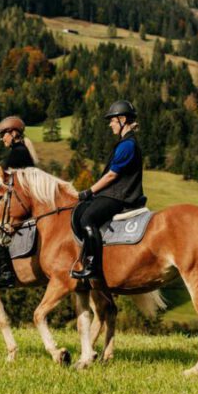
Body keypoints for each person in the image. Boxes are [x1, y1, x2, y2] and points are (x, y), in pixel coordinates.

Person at [70, 100, 146, 281]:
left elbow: (112, 176)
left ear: (122, 119)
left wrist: (88, 192)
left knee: (87, 218)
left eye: (112, 120)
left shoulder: (127, 145)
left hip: (120, 195)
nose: (110, 124)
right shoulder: (125, 143)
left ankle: (93, 265)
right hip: (115, 193)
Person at [0, 115, 38, 288]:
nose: (1, 138)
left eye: (4, 134)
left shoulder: (18, 153)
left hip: (20, 202)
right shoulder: (19, 151)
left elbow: (4, 181)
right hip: (18, 199)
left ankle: (6, 272)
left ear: (14, 133)